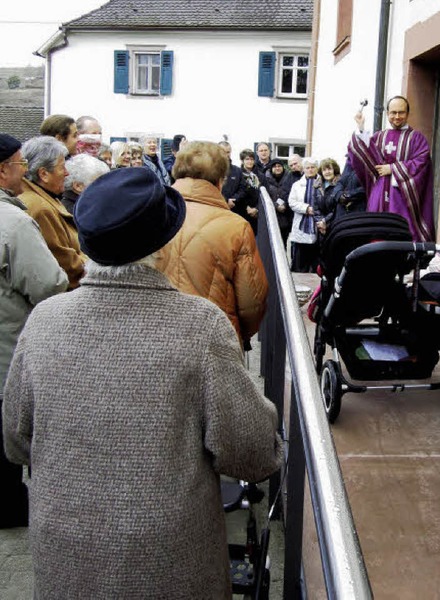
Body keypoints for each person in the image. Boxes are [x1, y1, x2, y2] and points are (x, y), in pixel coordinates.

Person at [2, 167, 283, 599]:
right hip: (168, 560)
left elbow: (16, 441)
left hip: (66, 555)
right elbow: (252, 452)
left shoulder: (45, 320)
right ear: (164, 245)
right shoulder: (200, 324)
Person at [0, 134, 68, 530]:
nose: (23, 169)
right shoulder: (14, 221)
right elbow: (49, 284)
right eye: (17, 162)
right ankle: (9, 509)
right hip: (8, 348)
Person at [158, 141, 268, 346]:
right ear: (220, 181)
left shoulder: (151, 214)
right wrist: (240, 335)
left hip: (156, 333)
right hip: (214, 338)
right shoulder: (236, 226)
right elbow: (252, 300)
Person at [349, 95, 434, 242]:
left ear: (408, 113)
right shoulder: (380, 136)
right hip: (380, 194)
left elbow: (422, 163)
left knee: (401, 236)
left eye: (401, 112)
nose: (397, 117)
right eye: (393, 113)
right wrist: (361, 128)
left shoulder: (416, 138)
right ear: (387, 113)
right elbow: (365, 155)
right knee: (376, 236)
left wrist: (393, 169)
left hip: (402, 198)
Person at [20, 136, 85, 289]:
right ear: (43, 174)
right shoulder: (39, 208)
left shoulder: (45, 198)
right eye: (62, 167)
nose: (67, 173)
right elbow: (65, 263)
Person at [288, 157, 320, 272]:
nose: (310, 170)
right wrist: (306, 208)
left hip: (318, 224)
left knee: (316, 262)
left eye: (312, 167)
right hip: (302, 224)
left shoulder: (322, 184)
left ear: (317, 169)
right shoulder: (297, 185)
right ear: (304, 169)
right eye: (307, 168)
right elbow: (291, 202)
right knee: (300, 262)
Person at [264, 157, 293, 246]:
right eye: (275, 166)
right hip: (272, 217)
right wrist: (276, 205)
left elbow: (292, 195)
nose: (277, 168)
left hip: (286, 217)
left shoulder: (289, 178)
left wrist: (285, 205)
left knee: (283, 244)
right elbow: (265, 197)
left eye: (279, 166)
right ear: (271, 168)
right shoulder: (265, 180)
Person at [314, 157, 341, 238]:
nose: (327, 172)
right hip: (321, 227)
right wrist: (320, 223)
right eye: (324, 170)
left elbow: (337, 208)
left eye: (329, 169)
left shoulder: (340, 185)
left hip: (335, 224)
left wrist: (325, 221)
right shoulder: (317, 186)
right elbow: (315, 208)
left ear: (334, 170)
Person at [332, 155, 366, 220]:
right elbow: (340, 182)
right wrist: (339, 195)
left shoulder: (368, 162)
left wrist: (348, 195)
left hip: (359, 211)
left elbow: (368, 186)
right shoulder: (349, 162)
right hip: (341, 213)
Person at [218, 140, 247, 214]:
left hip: (234, 209)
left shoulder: (237, 171)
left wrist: (233, 200)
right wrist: (226, 200)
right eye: (223, 152)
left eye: (228, 152)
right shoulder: (211, 170)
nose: (226, 155)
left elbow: (242, 189)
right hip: (217, 208)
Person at [238, 148, 261, 234]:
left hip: (256, 214)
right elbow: (236, 192)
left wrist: (256, 209)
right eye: (247, 159)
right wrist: (246, 207)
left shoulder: (260, 175)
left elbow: (265, 194)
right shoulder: (238, 174)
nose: (250, 162)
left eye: (252, 159)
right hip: (241, 211)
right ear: (242, 160)